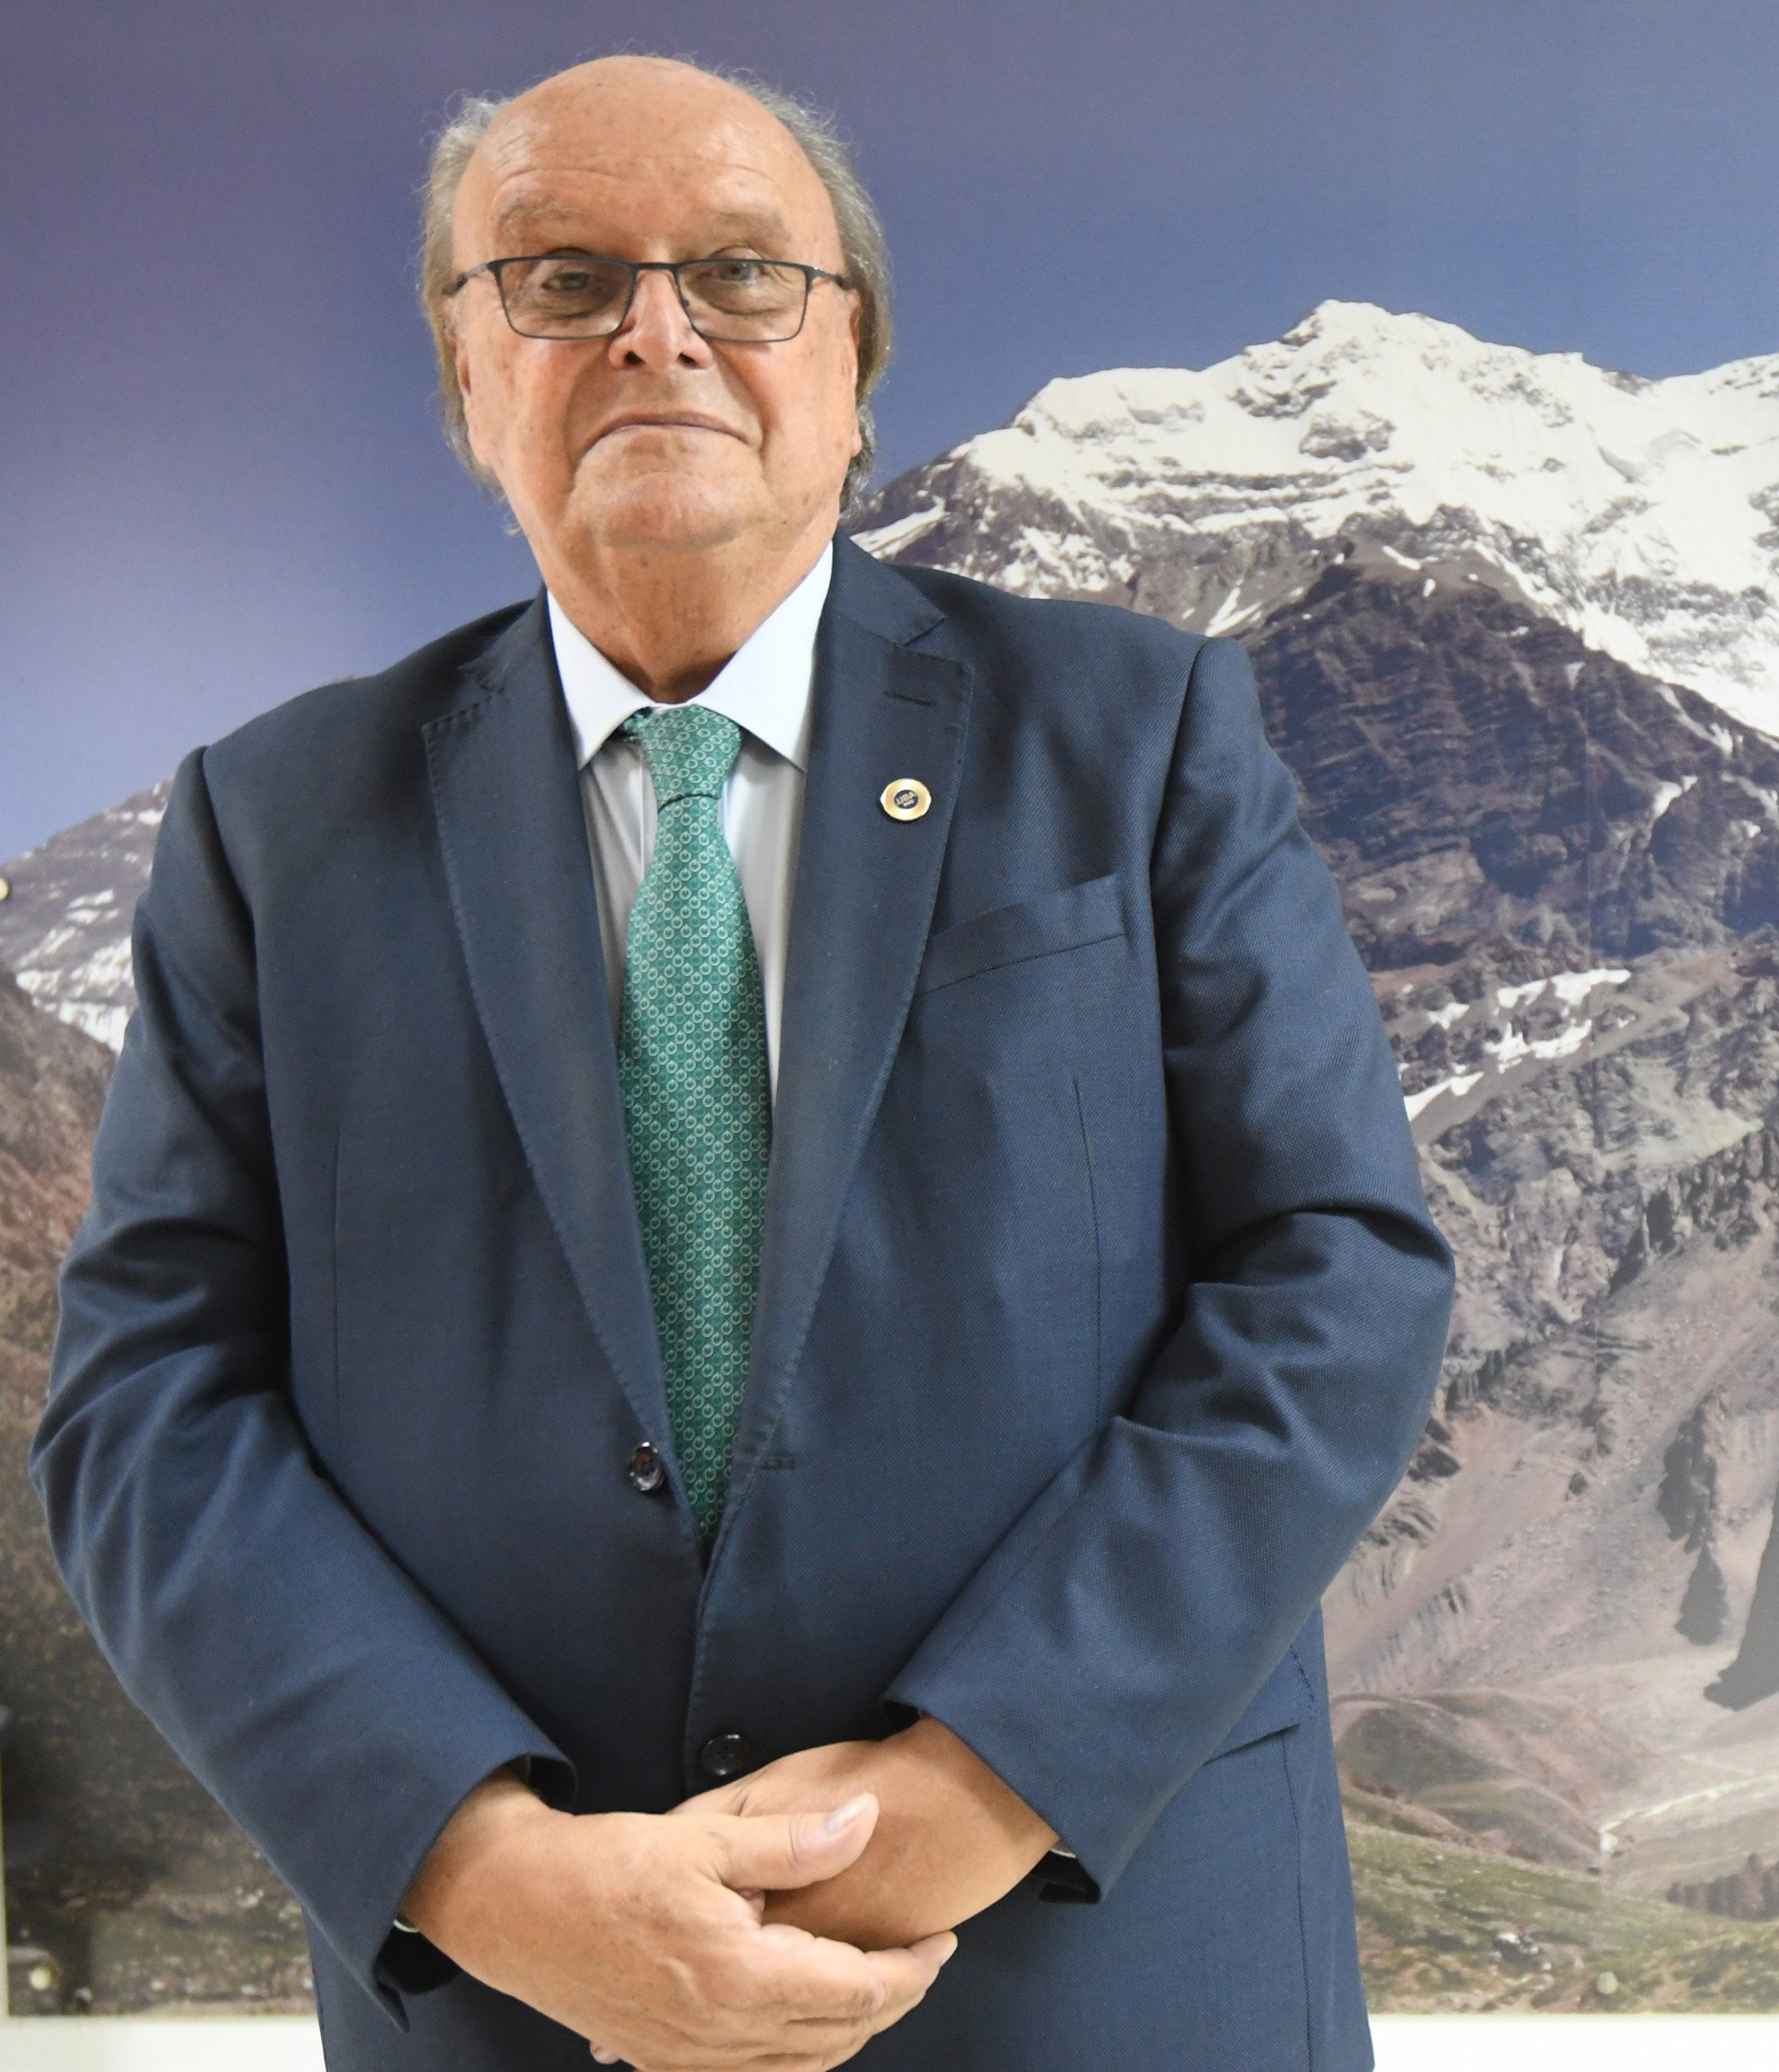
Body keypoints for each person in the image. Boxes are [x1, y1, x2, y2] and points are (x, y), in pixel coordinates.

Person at [31, 53, 1452, 2072]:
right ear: (465, 380)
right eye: (563, 278)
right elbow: (152, 1412)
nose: (657, 328)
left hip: (1105, 1973)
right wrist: (489, 1870)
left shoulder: (1135, 743)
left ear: (856, 368)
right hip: (517, 2014)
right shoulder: (272, 832)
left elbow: (1337, 1280)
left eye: (740, 273)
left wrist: (974, 1787)